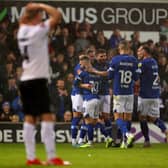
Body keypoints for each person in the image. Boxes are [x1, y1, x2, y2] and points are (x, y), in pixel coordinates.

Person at [17, 3, 70, 166]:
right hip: (37, 79)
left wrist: (30, 11)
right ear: (36, 17)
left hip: (25, 80)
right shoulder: (37, 31)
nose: (42, 17)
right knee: (47, 116)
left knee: (30, 118)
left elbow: (23, 20)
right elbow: (57, 16)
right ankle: (52, 157)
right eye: (40, 15)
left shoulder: (22, 31)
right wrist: (41, 5)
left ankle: (31, 157)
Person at [91, 41, 139, 148]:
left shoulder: (115, 60)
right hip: (129, 92)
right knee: (127, 117)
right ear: (128, 49)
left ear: (119, 48)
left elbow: (109, 76)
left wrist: (97, 72)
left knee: (118, 117)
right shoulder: (134, 60)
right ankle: (124, 142)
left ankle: (128, 135)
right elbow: (136, 78)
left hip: (119, 92)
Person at [138, 46, 168, 147]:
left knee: (142, 117)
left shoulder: (143, 63)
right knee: (153, 118)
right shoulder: (154, 62)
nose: (138, 52)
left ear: (145, 52)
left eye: (140, 50)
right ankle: (166, 130)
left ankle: (147, 141)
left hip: (145, 95)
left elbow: (136, 76)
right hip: (155, 94)